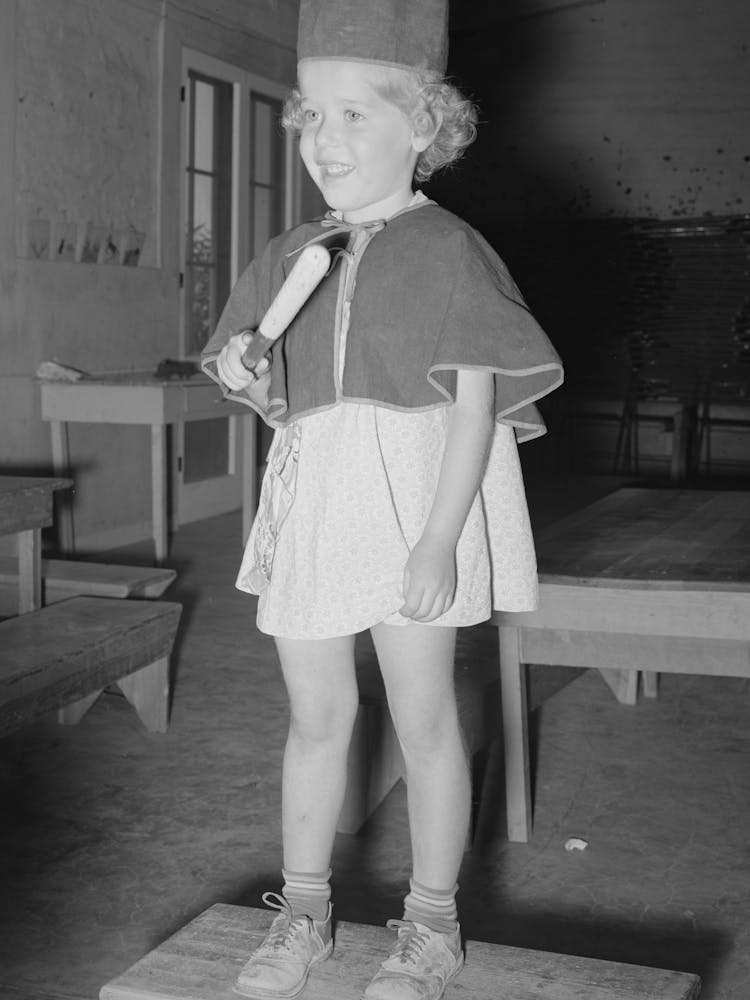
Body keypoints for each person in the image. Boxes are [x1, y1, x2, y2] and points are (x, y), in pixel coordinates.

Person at [201, 2, 563, 998]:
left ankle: (433, 924)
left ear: (427, 125)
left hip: (413, 501)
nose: (326, 139)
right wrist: (245, 372)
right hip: (319, 497)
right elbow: (270, 392)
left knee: (423, 717)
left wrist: (443, 537)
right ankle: (305, 914)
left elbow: (477, 402)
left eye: (357, 115)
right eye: (313, 116)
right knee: (317, 717)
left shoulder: (449, 248)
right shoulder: (285, 255)